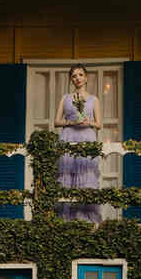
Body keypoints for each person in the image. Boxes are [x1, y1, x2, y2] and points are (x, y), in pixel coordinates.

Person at [55, 63, 102, 223]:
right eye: (74, 76)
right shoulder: (65, 98)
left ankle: (87, 222)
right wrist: (70, 122)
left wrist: (88, 122)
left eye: (80, 75)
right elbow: (56, 121)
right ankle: (66, 221)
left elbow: (99, 124)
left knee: (86, 178)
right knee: (67, 178)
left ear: (86, 77)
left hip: (87, 137)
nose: (78, 78)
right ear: (71, 80)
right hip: (69, 137)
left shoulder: (93, 99)